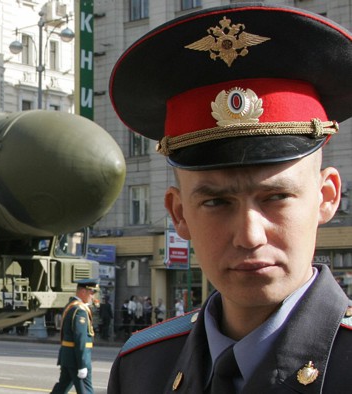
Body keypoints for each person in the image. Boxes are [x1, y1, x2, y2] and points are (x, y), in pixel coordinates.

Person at [106, 4, 352, 393]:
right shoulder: (142, 367)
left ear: (326, 197)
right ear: (178, 213)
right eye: (217, 202)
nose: (249, 235)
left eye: (276, 196)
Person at [51, 278, 98, 394]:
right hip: (77, 359)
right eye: (91, 293)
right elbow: (80, 338)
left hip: (68, 357)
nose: (92, 296)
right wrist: (82, 364)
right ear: (83, 292)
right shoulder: (79, 310)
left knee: (61, 389)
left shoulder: (71, 306)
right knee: (86, 390)